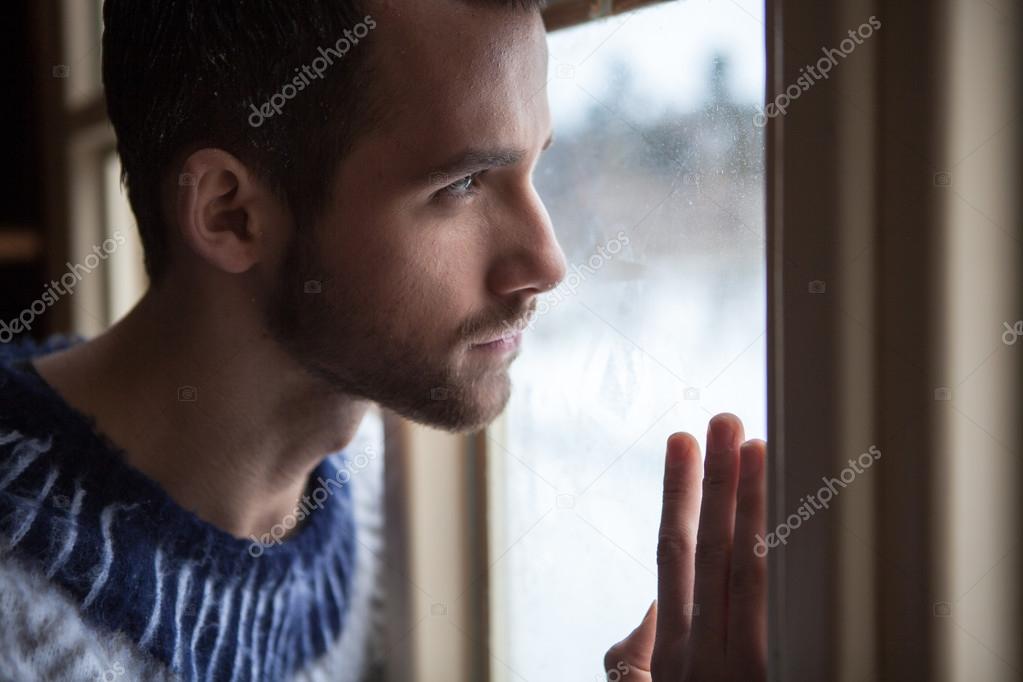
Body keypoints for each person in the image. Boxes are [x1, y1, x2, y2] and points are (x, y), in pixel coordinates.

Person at [0, 0, 767, 680]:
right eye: (462, 185)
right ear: (230, 214)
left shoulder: (365, 497)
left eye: (534, 169)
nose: (548, 262)